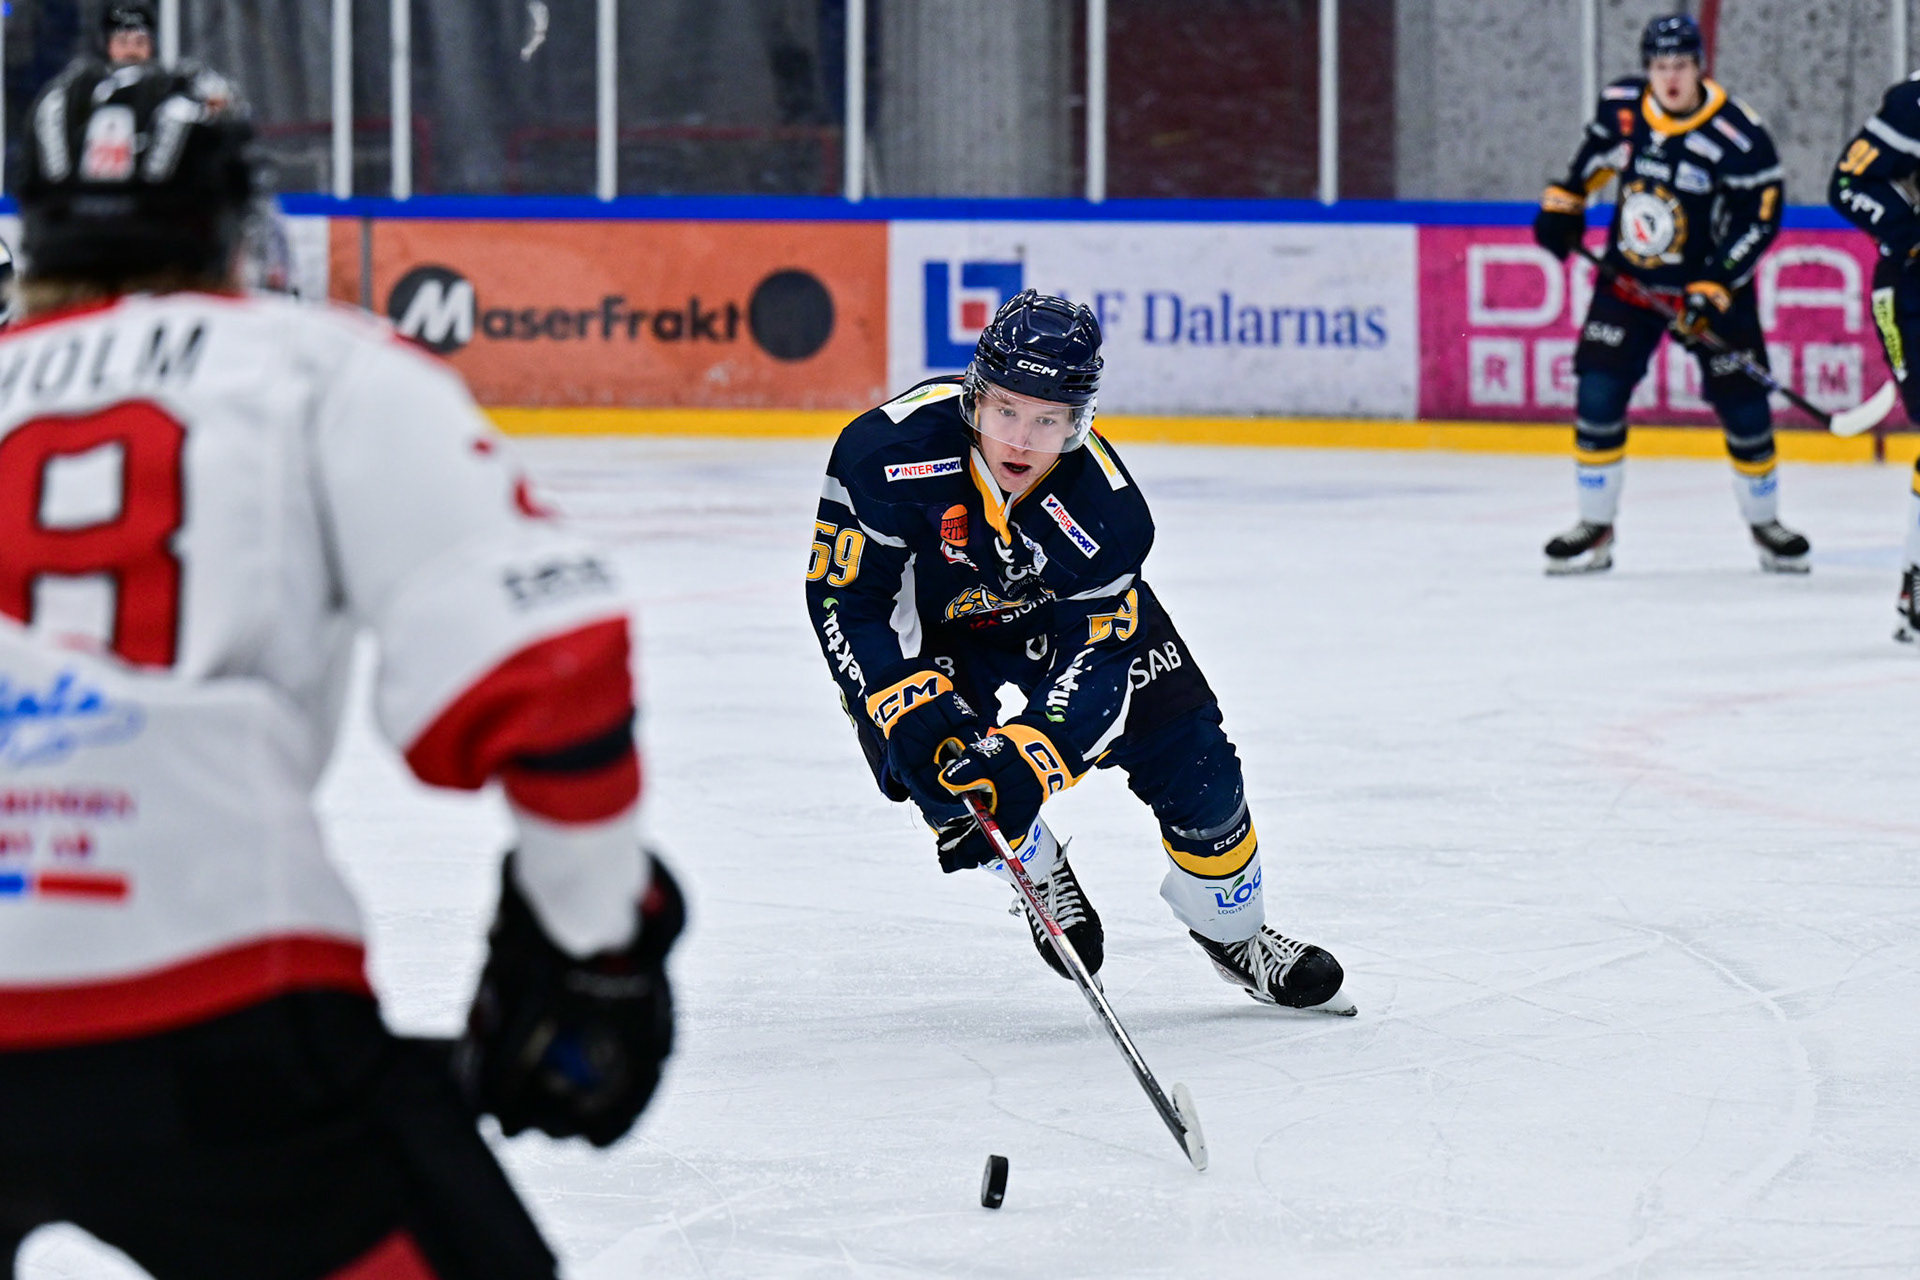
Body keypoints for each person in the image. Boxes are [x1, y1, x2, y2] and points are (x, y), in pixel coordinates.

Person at [0, 61, 683, 1278]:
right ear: (234, 220)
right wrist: (596, 944)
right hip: (214, 999)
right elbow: (546, 664)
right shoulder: (319, 365)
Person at [805, 290, 1353, 1014]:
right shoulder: (885, 452)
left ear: (1078, 421)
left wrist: (1031, 757)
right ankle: (1033, 865)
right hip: (939, 628)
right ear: (975, 398)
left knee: (1201, 770)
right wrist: (896, 696)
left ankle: (1236, 935)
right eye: (1006, 411)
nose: (1021, 441)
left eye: (1048, 420)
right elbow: (845, 597)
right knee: (942, 768)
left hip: (1063, 624)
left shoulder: (1107, 511)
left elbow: (1098, 659)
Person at [1532, 13, 1805, 574]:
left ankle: (1765, 525)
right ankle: (1595, 527)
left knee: (1744, 406)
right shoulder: (1623, 108)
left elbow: (1759, 220)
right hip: (1629, 282)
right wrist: (1564, 204)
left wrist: (1715, 283)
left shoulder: (1738, 135)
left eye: (1681, 65)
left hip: (1710, 291)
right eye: (1660, 66)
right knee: (1598, 391)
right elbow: (1592, 161)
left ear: (1700, 66)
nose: (1671, 78)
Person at [1830, 74, 1920, 641]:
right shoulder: (1914, 103)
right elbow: (1848, 182)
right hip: (1911, 290)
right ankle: (1918, 587)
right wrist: (1910, 233)